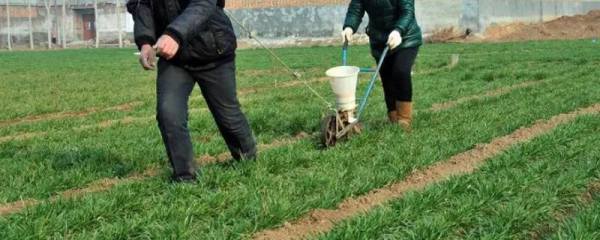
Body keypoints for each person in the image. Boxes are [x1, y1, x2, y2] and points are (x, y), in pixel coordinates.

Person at [127, 0, 257, 183]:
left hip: (213, 53)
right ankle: (185, 177)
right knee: (168, 113)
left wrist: (174, 34)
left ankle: (248, 161)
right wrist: (146, 41)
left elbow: (203, 4)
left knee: (228, 116)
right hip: (175, 59)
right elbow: (141, 5)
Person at [342, 0, 422, 131]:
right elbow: (355, 10)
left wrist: (398, 31)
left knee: (400, 71)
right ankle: (393, 118)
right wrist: (349, 27)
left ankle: (404, 120)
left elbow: (407, 12)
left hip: (406, 38)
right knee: (387, 78)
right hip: (379, 40)